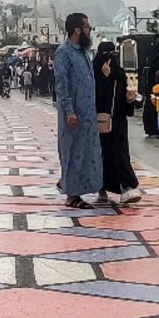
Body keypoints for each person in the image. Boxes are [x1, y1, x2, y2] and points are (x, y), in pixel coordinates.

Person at [54, 13, 103, 209]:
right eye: (87, 26)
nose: (89, 30)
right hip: (73, 114)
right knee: (72, 152)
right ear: (77, 29)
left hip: (87, 114)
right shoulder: (64, 53)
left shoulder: (83, 52)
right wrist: (69, 111)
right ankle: (71, 195)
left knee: (85, 153)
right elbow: (61, 85)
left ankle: (71, 185)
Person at [94, 42, 142, 204]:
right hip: (100, 122)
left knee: (119, 154)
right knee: (102, 155)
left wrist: (130, 100)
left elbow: (125, 96)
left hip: (118, 121)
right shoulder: (94, 72)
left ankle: (126, 187)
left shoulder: (119, 73)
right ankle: (101, 187)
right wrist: (105, 79)